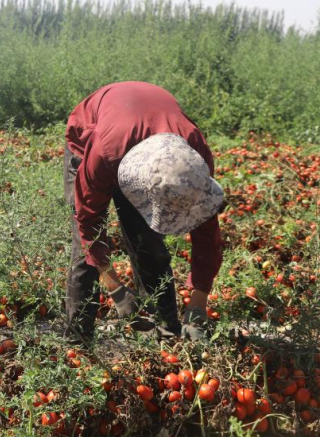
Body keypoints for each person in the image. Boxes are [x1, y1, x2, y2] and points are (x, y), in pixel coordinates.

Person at [64, 81, 224, 342]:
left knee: (147, 240)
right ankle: (78, 341)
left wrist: (198, 303)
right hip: (94, 135)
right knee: (85, 256)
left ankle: (166, 330)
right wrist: (114, 289)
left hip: (138, 132)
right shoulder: (104, 154)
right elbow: (89, 224)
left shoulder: (194, 154)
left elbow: (207, 233)